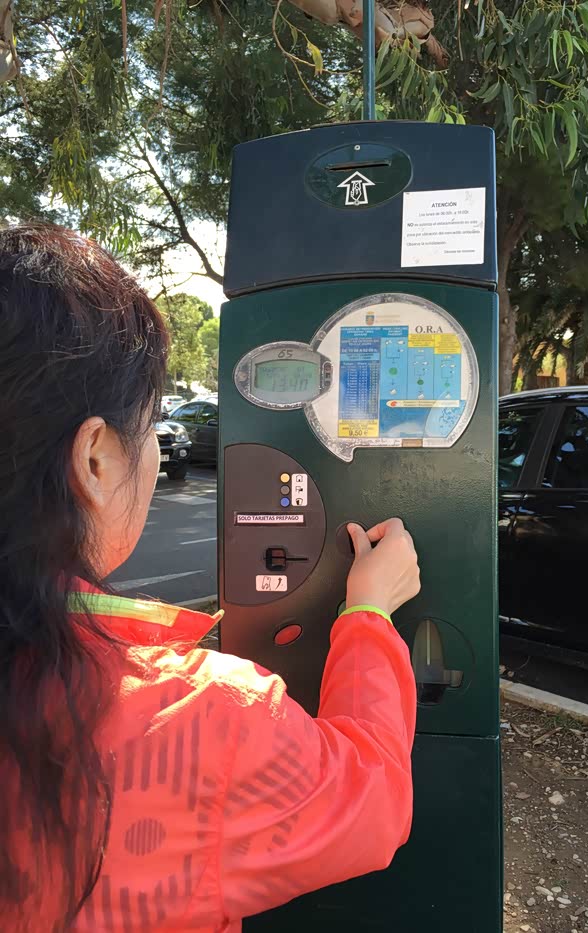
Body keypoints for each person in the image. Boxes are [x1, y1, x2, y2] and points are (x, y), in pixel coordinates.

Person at [0, 223, 420, 932]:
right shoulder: (200, 720)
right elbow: (370, 801)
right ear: (96, 459)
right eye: (149, 427)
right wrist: (369, 615)